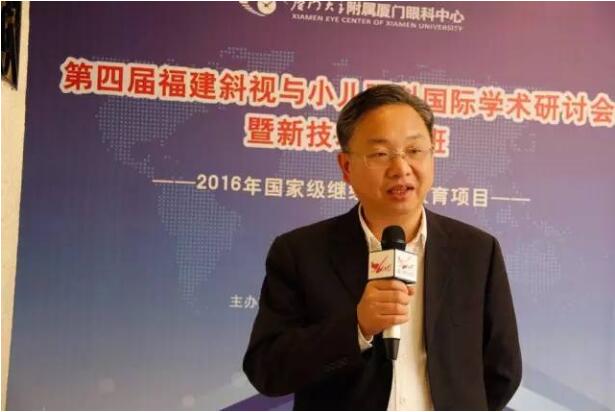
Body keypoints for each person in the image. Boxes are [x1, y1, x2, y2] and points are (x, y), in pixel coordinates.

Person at [243, 84, 522, 410]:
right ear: (346, 167)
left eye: (414, 150)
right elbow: (267, 369)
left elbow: (502, 371)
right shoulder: (300, 253)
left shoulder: (476, 252)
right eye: (380, 154)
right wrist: (357, 327)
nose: (401, 168)